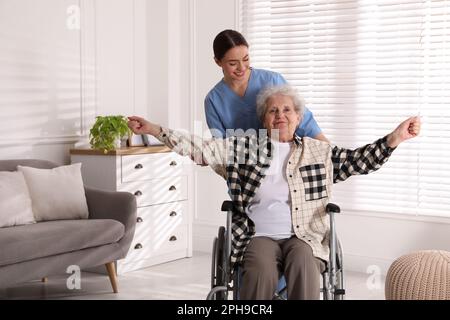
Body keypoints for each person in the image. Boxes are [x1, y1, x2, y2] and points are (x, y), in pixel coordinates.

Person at [128, 84, 421, 300]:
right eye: (273, 110)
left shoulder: (318, 152)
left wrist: (395, 138)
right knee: (258, 269)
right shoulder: (246, 148)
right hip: (258, 235)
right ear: (264, 118)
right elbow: (201, 148)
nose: (280, 115)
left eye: (287, 110)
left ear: (298, 117)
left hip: (303, 235)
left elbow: (358, 161)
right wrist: (156, 130)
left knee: (304, 263)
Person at [205, 29, 329, 142]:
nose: (241, 67)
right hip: (243, 163)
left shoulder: (272, 80)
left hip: (282, 157)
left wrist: (328, 150)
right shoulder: (213, 100)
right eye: (233, 63)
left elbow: (303, 120)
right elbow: (220, 146)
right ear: (217, 62)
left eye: (246, 59)